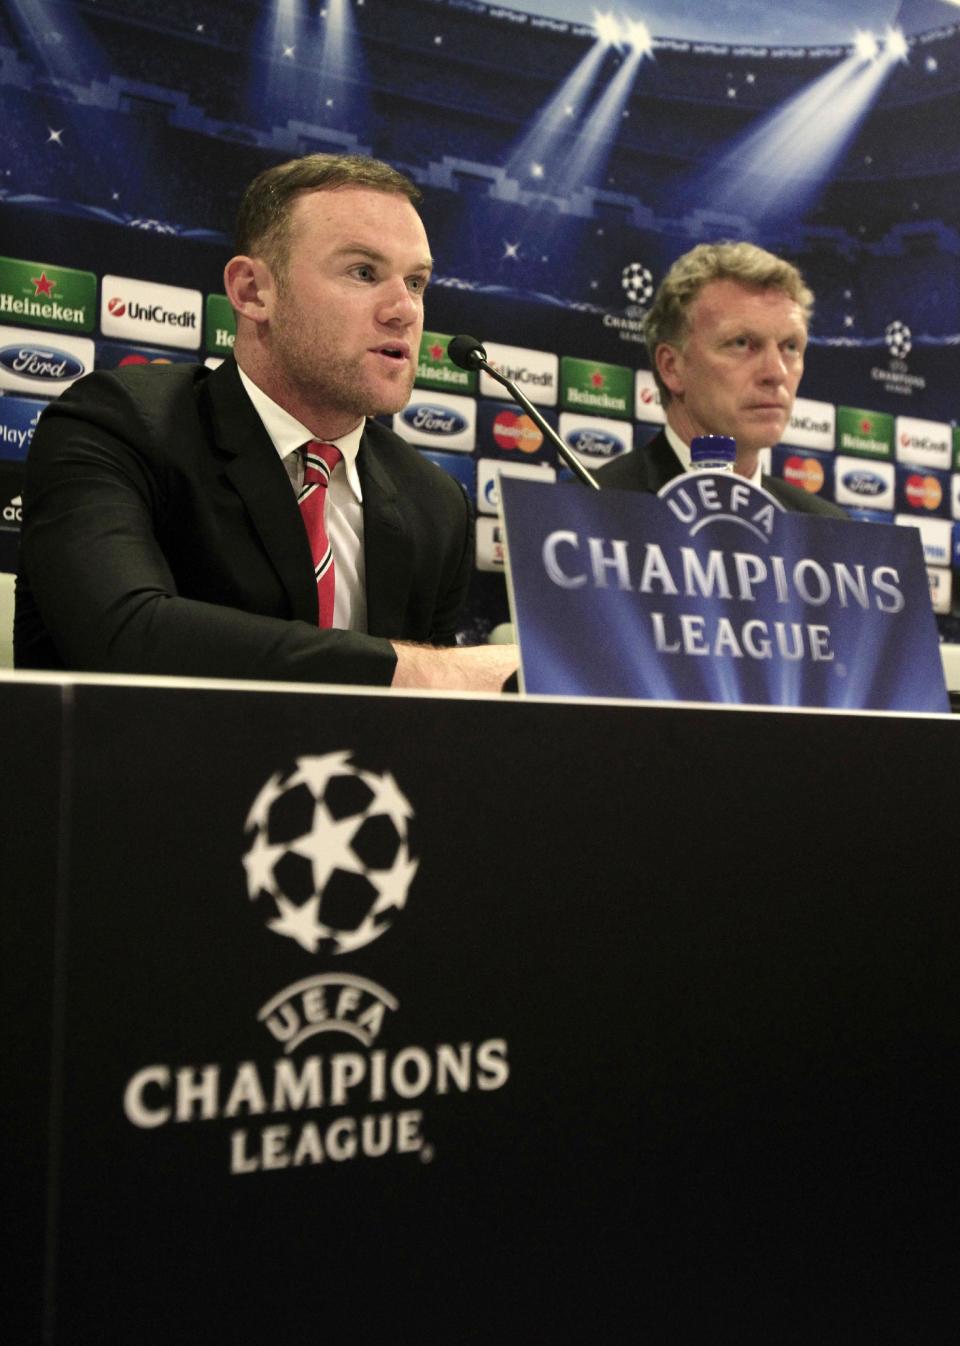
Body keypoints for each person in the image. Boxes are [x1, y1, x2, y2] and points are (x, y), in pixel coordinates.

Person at [15, 153, 517, 692]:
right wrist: (422, 670)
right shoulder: (118, 426)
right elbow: (124, 636)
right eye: (364, 272)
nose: (405, 310)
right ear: (253, 291)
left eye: (416, 282)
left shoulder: (434, 501)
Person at [597, 241, 847, 518]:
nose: (776, 373)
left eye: (790, 347)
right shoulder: (595, 510)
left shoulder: (824, 528)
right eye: (741, 343)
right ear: (671, 367)